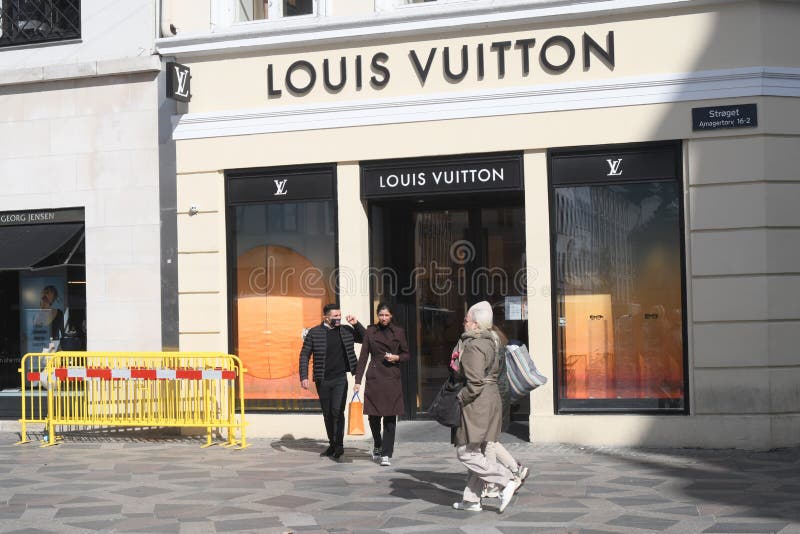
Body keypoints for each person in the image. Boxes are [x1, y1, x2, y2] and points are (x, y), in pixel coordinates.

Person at [451, 301, 520, 513]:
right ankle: (471, 500)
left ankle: (506, 478)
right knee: (477, 449)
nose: (464, 324)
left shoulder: (473, 346)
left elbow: (475, 382)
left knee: (466, 452)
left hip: (478, 402)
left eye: (466, 320)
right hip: (491, 399)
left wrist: (460, 397)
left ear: (475, 324)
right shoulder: (492, 341)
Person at [299, 303, 366, 459]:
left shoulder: (346, 330)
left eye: (339, 315)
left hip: (340, 379)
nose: (338, 318)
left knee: (337, 411)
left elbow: (365, 339)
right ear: (326, 317)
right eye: (335, 316)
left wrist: (356, 324)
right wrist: (304, 376)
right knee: (328, 414)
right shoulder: (314, 333)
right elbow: (304, 355)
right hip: (322, 380)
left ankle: (339, 445)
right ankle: (332, 444)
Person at [353, 303, 410, 467]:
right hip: (375, 377)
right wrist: (358, 381)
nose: (384, 318)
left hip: (392, 377)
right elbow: (363, 357)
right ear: (377, 316)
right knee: (373, 416)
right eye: (381, 315)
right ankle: (378, 443)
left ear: (391, 316)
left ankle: (386, 453)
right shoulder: (371, 331)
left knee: (391, 417)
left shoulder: (398, 331)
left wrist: (397, 358)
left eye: (386, 315)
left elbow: (407, 354)